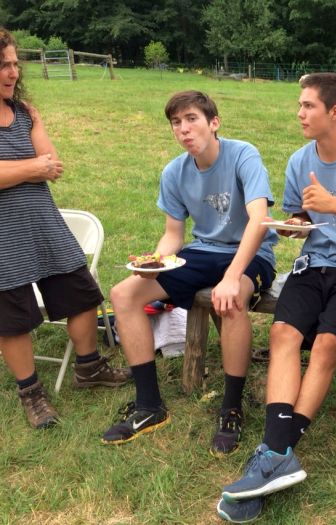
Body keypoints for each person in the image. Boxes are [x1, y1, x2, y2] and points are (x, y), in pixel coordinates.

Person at [217, 72, 336, 523]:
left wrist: (335, 204)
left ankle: (273, 450)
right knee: (282, 334)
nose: (299, 113)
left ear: (334, 112)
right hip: (313, 265)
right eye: (299, 105)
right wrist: (294, 225)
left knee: (327, 344)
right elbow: (300, 215)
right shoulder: (300, 160)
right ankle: (278, 454)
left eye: (307, 106)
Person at [102, 90, 277, 454]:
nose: (183, 129)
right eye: (176, 122)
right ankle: (149, 406)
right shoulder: (174, 172)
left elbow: (259, 220)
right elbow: (173, 235)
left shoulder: (243, 154)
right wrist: (154, 263)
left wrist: (232, 277)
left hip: (251, 252)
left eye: (191, 119)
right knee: (123, 294)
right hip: (201, 251)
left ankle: (231, 408)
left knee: (231, 299)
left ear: (214, 123)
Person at [0, 27, 131, 430]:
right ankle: (31, 393)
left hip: (43, 222)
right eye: (3, 65)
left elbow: (52, 164)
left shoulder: (24, 114)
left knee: (81, 292)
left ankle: (89, 367)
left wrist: (26, 166)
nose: (13, 73)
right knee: (12, 317)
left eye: (14, 64)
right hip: (3, 236)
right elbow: (39, 166)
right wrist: (31, 169)